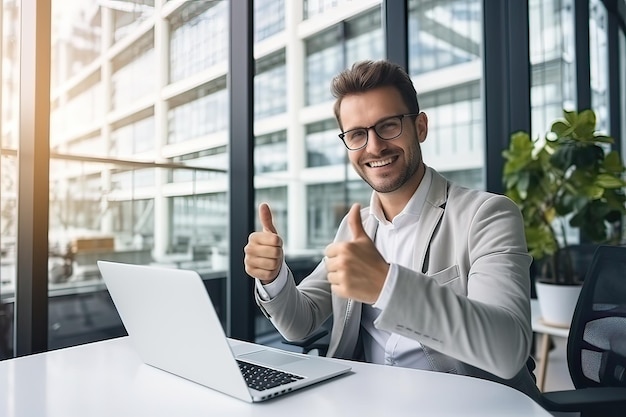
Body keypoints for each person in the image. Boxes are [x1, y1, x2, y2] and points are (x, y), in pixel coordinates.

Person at [244, 59, 540, 401]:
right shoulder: (357, 227)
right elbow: (301, 323)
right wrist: (273, 277)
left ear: (420, 127)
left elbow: (507, 350)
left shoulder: (487, 215)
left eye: (388, 126)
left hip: (464, 405)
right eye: (357, 134)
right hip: (368, 401)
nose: (374, 147)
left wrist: (387, 285)